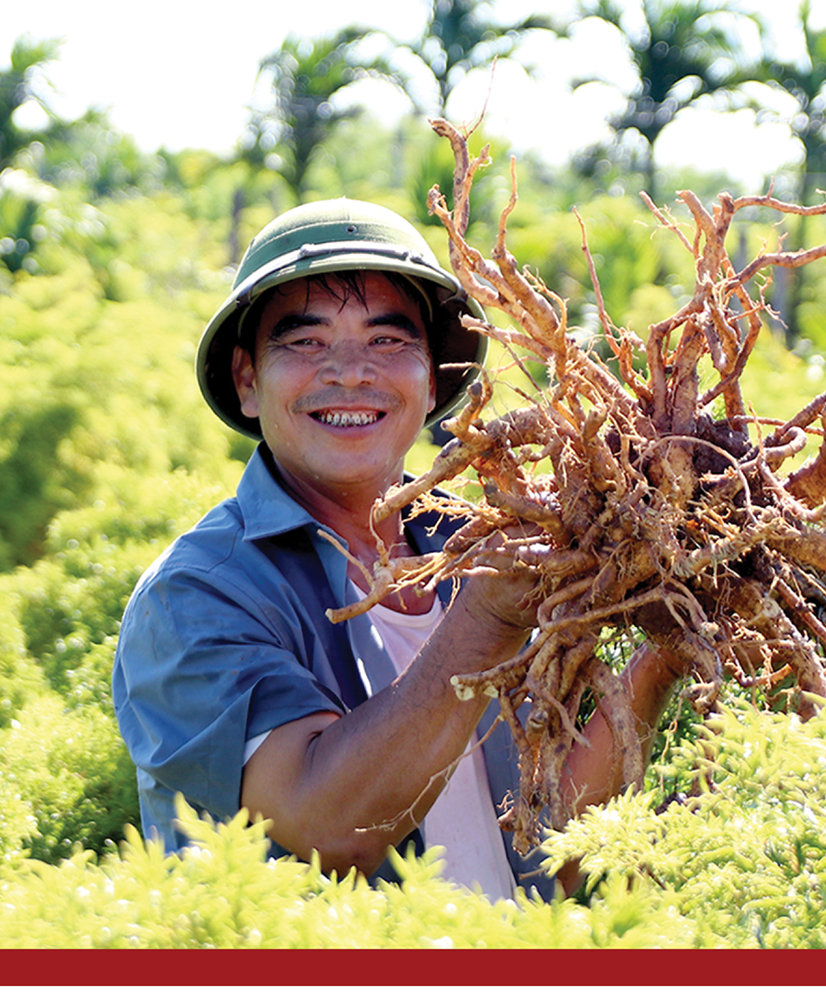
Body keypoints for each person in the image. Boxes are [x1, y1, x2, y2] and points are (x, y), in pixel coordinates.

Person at [112, 197, 677, 901]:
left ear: (433, 379)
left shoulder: (473, 544)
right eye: (306, 341)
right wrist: (489, 622)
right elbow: (331, 824)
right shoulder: (197, 595)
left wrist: (665, 650)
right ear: (247, 380)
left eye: (387, 340)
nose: (350, 371)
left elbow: (552, 837)